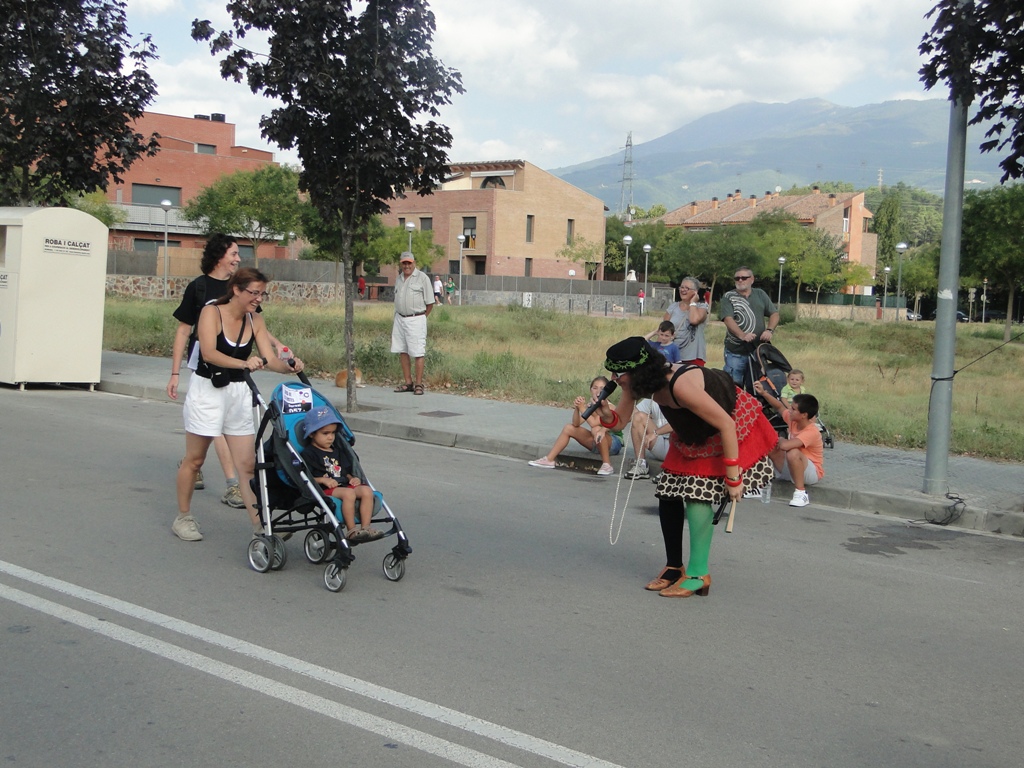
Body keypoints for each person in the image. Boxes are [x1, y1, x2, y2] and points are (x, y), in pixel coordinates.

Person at [602, 337, 778, 598]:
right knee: (668, 493)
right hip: (691, 431)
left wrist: (733, 478)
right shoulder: (637, 384)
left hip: (724, 426)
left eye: (619, 373)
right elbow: (619, 422)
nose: (614, 378)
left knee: (697, 496)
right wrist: (605, 413)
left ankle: (698, 574)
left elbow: (726, 425)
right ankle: (674, 567)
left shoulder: (681, 385)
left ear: (637, 371)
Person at [173, 268, 304, 542]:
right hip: (207, 390)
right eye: (254, 293)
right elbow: (209, 353)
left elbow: (269, 358)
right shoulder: (212, 312)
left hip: (238, 391)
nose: (258, 299)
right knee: (195, 459)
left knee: (246, 464)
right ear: (236, 290)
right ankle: (183, 517)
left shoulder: (255, 320)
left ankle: (260, 526)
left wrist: (289, 367)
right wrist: (244, 363)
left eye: (262, 293)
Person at [167, 235, 248, 510]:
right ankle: (230, 483)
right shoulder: (199, 288)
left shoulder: (240, 288)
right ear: (219, 255)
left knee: (216, 425)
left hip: (234, 365)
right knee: (215, 425)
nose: (238, 258)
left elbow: (255, 324)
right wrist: (175, 373)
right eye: (234, 253)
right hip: (204, 366)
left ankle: (193, 462)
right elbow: (183, 330)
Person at [301, 406, 383, 542]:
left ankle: (366, 528)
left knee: (367, 491)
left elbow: (344, 470)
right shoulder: (309, 453)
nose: (330, 437)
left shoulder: (337, 451)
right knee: (349, 494)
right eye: (325, 433)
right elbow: (306, 476)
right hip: (326, 489)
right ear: (311, 434)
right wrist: (323, 480)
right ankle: (351, 530)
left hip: (343, 484)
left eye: (333, 433)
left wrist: (353, 478)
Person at [528, 376, 623, 476]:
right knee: (569, 428)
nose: (598, 391)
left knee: (596, 429)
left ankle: (607, 464)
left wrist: (582, 409)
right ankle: (549, 459)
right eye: (595, 388)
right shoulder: (590, 405)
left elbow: (594, 423)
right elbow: (576, 423)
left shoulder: (610, 406)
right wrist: (577, 408)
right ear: (590, 390)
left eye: (602, 388)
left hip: (612, 443)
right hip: (595, 441)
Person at [753, 384, 824, 508]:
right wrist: (764, 393)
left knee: (792, 451)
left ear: (804, 415)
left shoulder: (811, 431)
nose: (789, 411)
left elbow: (785, 446)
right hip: (792, 467)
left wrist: (779, 438)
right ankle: (759, 486)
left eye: (793, 409)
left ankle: (801, 493)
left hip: (811, 473)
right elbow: (779, 406)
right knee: (767, 444)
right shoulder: (793, 420)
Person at [720, 267, 779, 388]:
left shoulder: (760, 294)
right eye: (737, 278)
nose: (740, 280)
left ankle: (754, 406)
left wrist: (769, 330)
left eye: (744, 278)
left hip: (757, 351)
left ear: (752, 279)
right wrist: (742, 335)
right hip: (736, 351)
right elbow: (728, 319)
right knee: (733, 386)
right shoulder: (728, 296)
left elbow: (774, 313)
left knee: (757, 386)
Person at [392, 252, 435, 395]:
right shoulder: (398, 279)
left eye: (409, 263)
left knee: (417, 352)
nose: (406, 266)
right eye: (404, 263)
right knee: (402, 351)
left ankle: (418, 384)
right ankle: (408, 383)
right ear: (401, 264)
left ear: (414, 263)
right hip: (399, 318)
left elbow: (430, 303)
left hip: (416, 318)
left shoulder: (422, 278)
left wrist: (421, 318)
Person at [656, 276, 709, 365]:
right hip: (672, 355)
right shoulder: (673, 307)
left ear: (695, 292)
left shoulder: (702, 307)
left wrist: (693, 303)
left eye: (687, 288)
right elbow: (663, 330)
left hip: (693, 357)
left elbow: (693, 320)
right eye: (681, 287)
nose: (683, 290)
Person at [623, 398, 672, 480]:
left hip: (677, 448)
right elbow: (628, 418)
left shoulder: (681, 400)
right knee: (638, 417)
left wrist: (656, 433)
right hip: (659, 444)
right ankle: (641, 464)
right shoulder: (652, 400)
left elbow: (680, 424)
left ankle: (670, 469)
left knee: (677, 430)